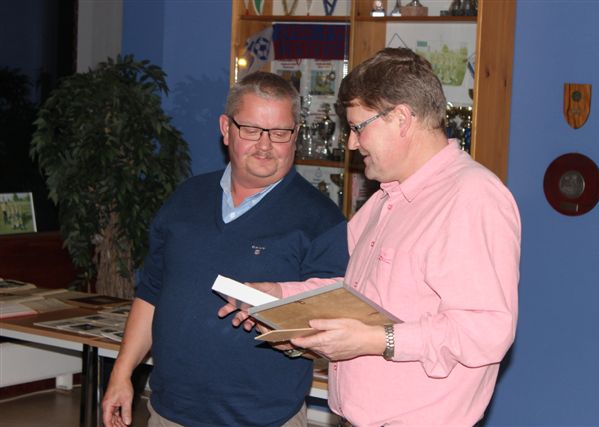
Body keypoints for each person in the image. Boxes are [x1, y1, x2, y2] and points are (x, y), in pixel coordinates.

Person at [220, 48, 521, 426]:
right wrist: (280, 295)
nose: (351, 143)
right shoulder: (385, 199)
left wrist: (378, 340)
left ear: (401, 119)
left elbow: (486, 330)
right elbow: (355, 292)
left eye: (358, 127)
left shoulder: (472, 197)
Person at [101, 71, 349, 427]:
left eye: (279, 133)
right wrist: (122, 373)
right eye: (251, 129)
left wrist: (293, 339)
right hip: (169, 412)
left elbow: (332, 328)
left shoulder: (322, 221)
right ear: (226, 128)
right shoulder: (185, 199)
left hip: (265, 418)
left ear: (295, 135)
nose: (265, 145)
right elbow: (150, 294)